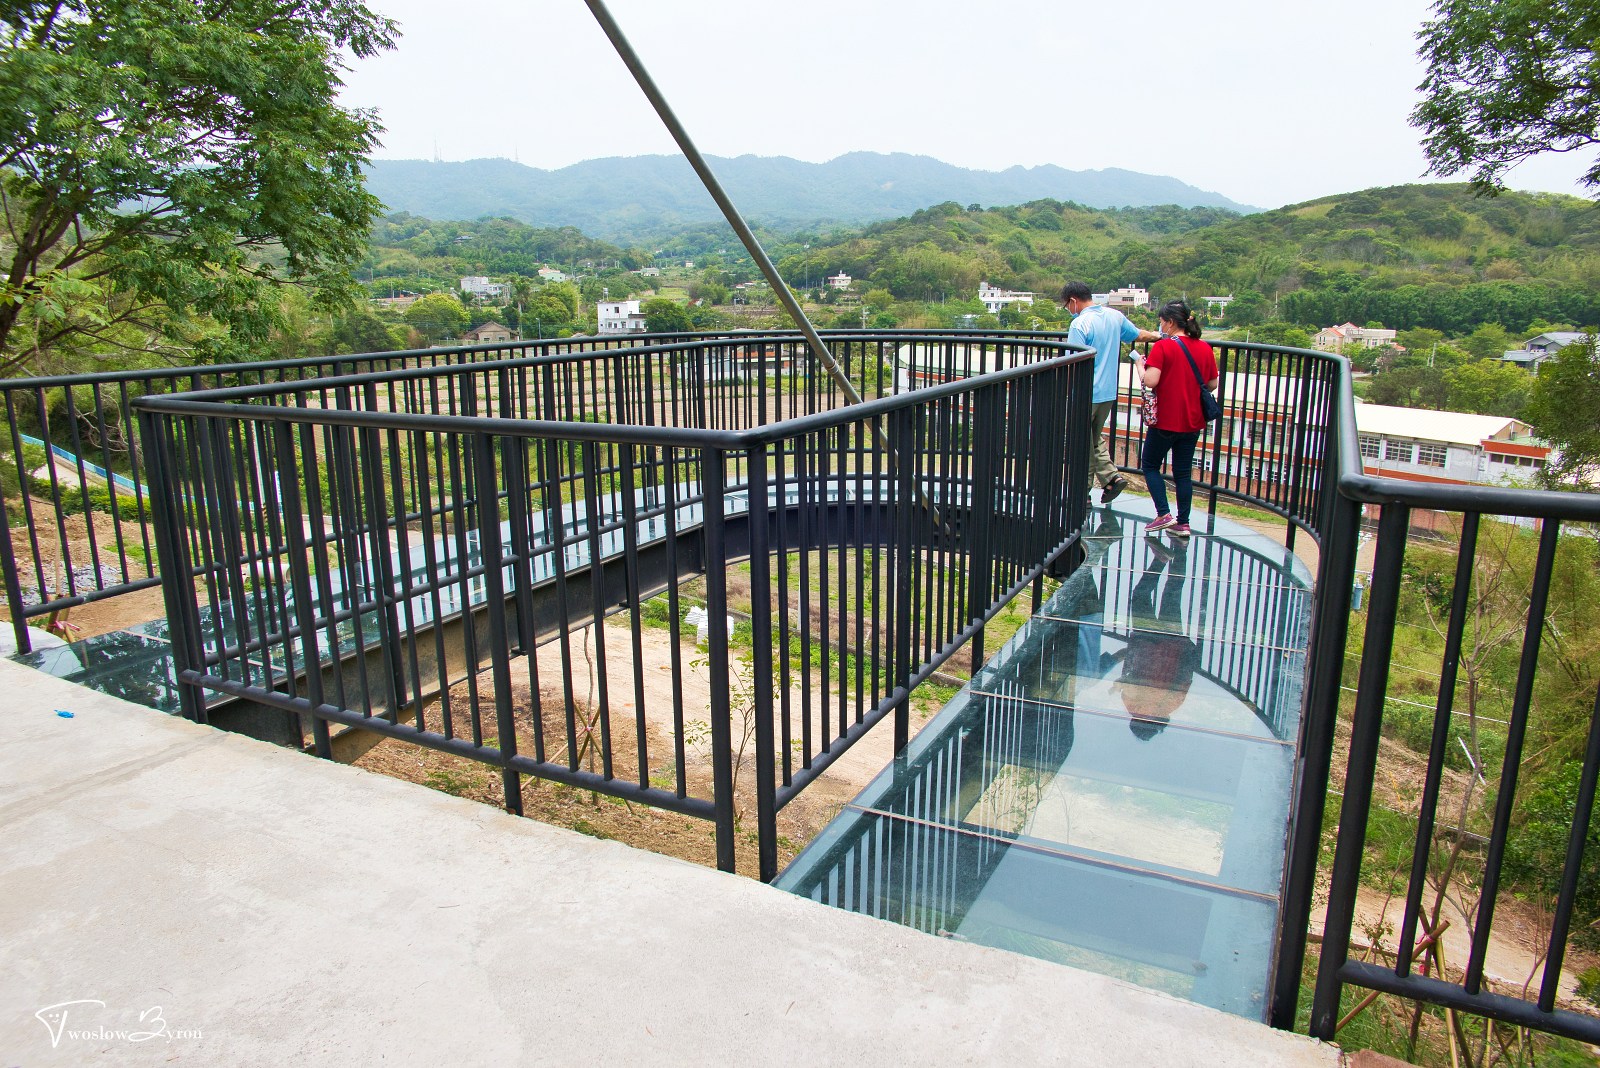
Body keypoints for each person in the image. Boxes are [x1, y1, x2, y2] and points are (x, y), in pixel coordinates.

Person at [1062, 282, 1159, 505]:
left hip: (1086, 393)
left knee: (1081, 444)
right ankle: (1111, 478)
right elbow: (1136, 334)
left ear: (1073, 301)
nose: (1069, 309)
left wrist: (1065, 391)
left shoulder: (1080, 324)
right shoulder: (1114, 316)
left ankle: (1081, 493)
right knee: (1092, 438)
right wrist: (1157, 336)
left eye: (1067, 305)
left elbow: (1072, 362)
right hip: (1108, 393)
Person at [1136, 300, 1219, 537]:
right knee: (1182, 472)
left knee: (1150, 465)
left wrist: (1140, 366)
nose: (1161, 327)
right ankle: (1183, 523)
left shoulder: (1164, 347)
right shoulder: (1204, 347)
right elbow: (1212, 383)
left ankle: (1163, 513)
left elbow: (1150, 381)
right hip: (1193, 420)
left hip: (1166, 419)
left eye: (1161, 322)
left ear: (1170, 323)